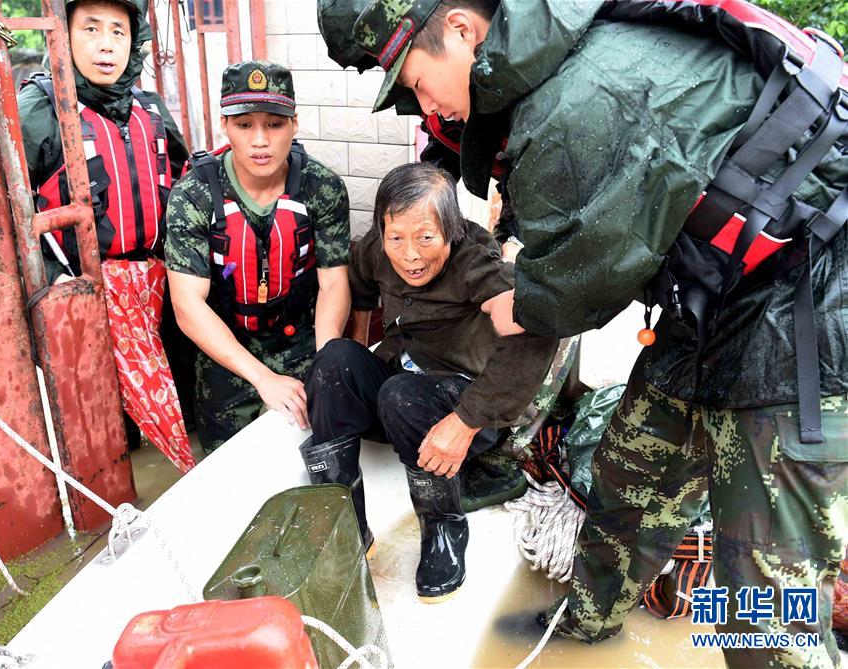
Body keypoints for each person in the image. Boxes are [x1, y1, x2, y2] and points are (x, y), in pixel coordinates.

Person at [336, 0, 847, 666]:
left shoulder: (576, 96)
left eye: (417, 81)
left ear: (462, 29)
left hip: (807, 312)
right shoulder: (544, 76)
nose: (426, 104)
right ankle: (587, 622)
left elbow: (583, 282)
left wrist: (524, 302)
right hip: (707, 307)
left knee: (766, 602)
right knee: (628, 478)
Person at [303, 161, 557, 601]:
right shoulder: (377, 250)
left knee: (399, 394)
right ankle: (346, 524)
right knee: (332, 360)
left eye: (425, 238)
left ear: (451, 231)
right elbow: (359, 285)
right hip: (399, 393)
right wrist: (358, 345)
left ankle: (443, 527)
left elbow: (537, 332)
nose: (410, 255)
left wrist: (465, 422)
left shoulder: (476, 263)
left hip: (463, 412)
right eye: (396, 238)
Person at [0, 0, 196, 471]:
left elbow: (186, 186)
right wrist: (55, 278)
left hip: (165, 296)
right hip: (85, 300)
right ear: (62, 35)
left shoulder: (150, 109)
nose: (106, 45)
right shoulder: (38, 110)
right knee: (110, 444)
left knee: (185, 416)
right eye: (90, 29)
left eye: (118, 31)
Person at [164, 60, 352, 454]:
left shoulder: (322, 187)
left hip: (301, 341)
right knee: (228, 466)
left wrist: (326, 362)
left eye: (275, 124)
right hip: (226, 351)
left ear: (295, 124)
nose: (260, 140)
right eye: (245, 124)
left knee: (319, 454)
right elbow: (187, 305)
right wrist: (262, 378)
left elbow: (333, 282)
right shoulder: (193, 195)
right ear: (225, 125)